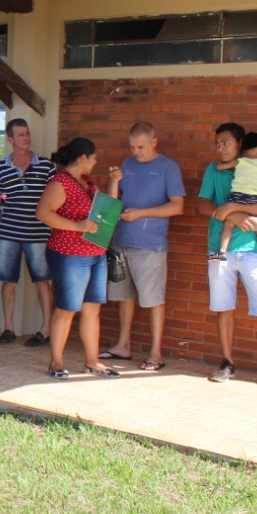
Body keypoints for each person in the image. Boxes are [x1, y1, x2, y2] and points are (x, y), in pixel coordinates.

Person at [198, 123, 257, 391]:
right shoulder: (213, 169)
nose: (221, 147)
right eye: (217, 143)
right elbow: (203, 204)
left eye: (226, 142)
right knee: (224, 306)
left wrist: (235, 207)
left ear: (240, 144)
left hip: (252, 249)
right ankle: (227, 362)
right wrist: (233, 215)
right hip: (221, 248)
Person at [101, 122, 186, 371]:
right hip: (121, 242)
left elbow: (177, 206)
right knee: (123, 297)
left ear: (154, 142)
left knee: (152, 299)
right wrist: (114, 180)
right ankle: (122, 346)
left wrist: (141, 214)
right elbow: (112, 201)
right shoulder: (127, 165)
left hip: (151, 245)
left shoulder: (168, 167)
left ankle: (155, 353)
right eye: (132, 146)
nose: (135, 151)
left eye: (140, 147)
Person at [36, 137, 118, 379]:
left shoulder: (88, 183)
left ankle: (92, 362)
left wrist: (113, 183)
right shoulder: (61, 183)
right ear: (83, 158)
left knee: (92, 309)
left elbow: (107, 209)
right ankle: (56, 362)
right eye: (93, 159)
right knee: (66, 308)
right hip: (68, 255)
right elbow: (43, 213)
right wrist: (76, 225)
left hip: (95, 254)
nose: (94, 164)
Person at [0, 118, 57, 347]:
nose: (26, 138)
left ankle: (45, 330)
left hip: (39, 233)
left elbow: (54, 199)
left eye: (27, 133)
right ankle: (8, 327)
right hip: (8, 233)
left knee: (43, 282)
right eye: (20, 134)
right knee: (7, 282)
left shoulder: (46, 166)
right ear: (10, 139)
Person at [210, 132, 257, 269]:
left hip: (237, 198)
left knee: (228, 226)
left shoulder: (241, 161)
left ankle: (221, 252)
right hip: (254, 201)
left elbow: (220, 167)